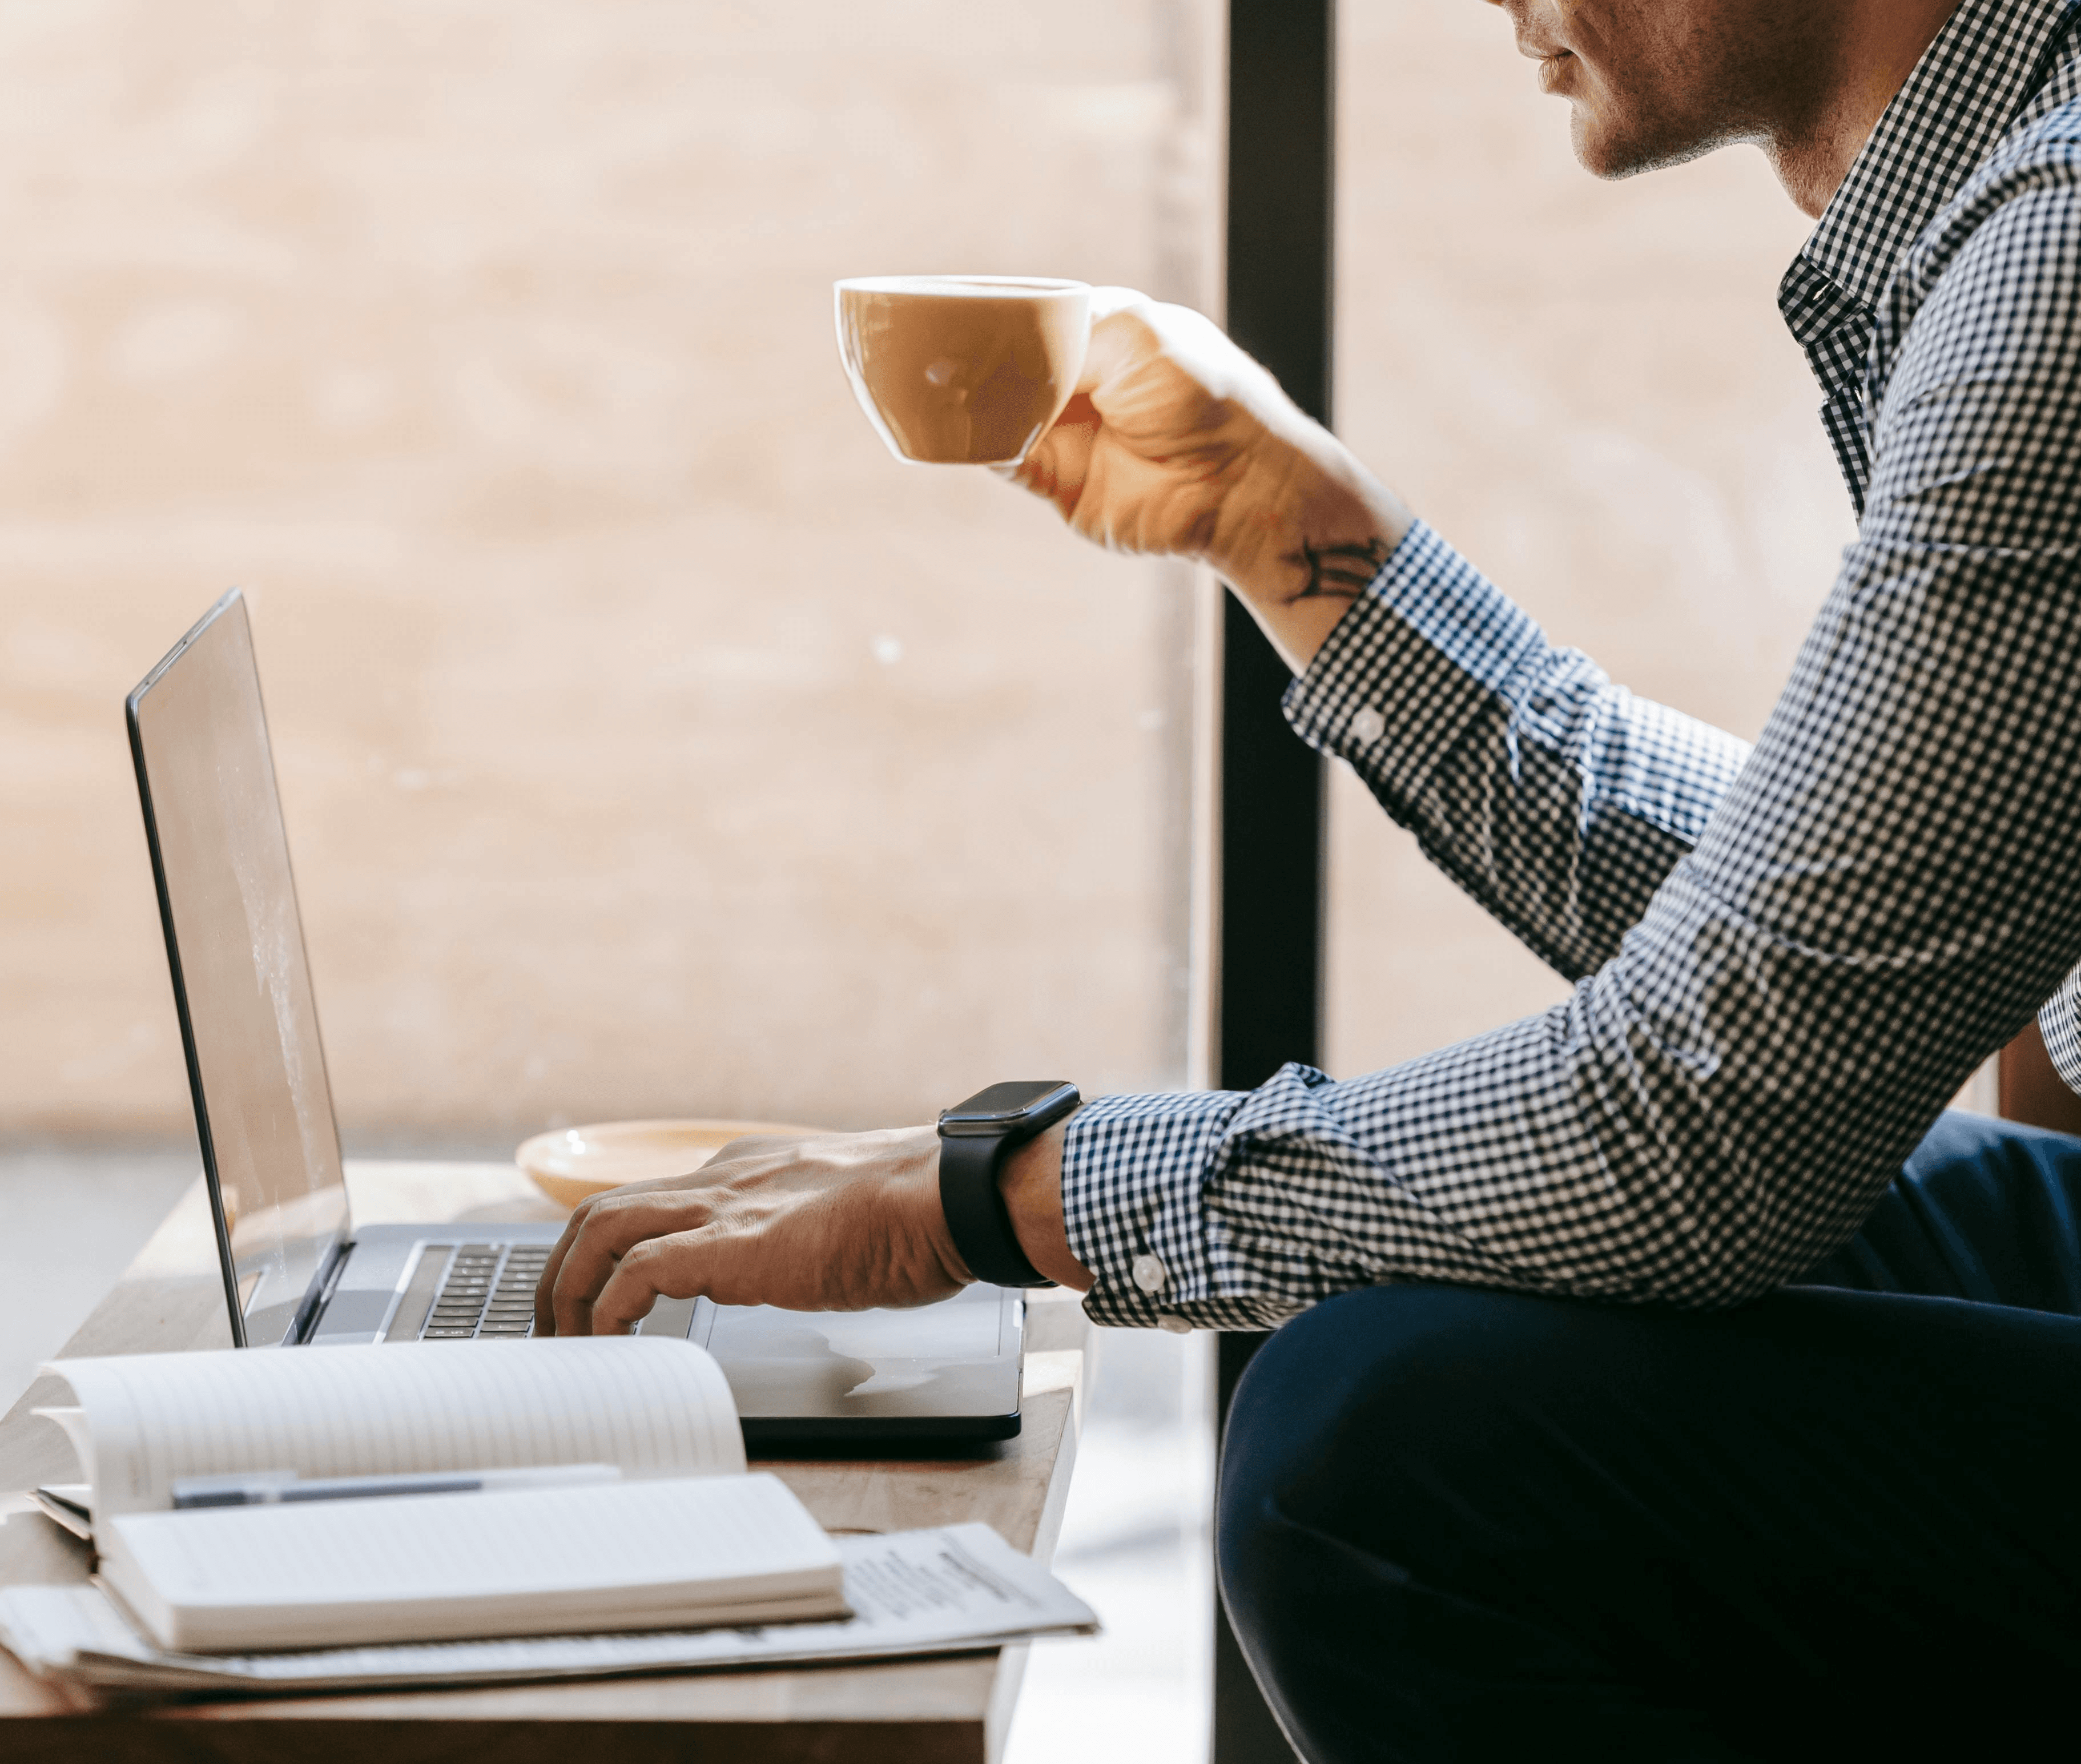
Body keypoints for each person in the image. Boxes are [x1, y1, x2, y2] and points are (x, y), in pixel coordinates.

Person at [537, 0, 2081, 1752]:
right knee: (1482, 1263)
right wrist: (1280, 524)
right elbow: (1815, 945)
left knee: (1381, 1446)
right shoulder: (2010, 208)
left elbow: (1699, 1131)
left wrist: (979, 1201)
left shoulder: (2059, 263)